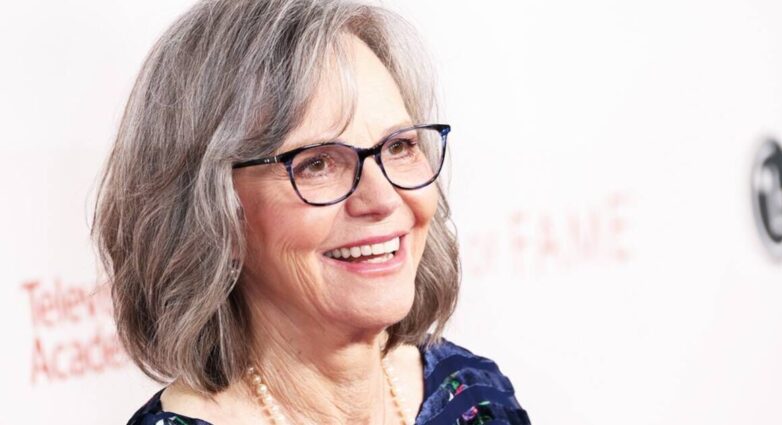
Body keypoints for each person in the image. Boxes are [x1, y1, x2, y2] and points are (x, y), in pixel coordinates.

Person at [94, 0, 531, 423]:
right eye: (317, 163)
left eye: (399, 146)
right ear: (209, 212)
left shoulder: (474, 397)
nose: (383, 199)